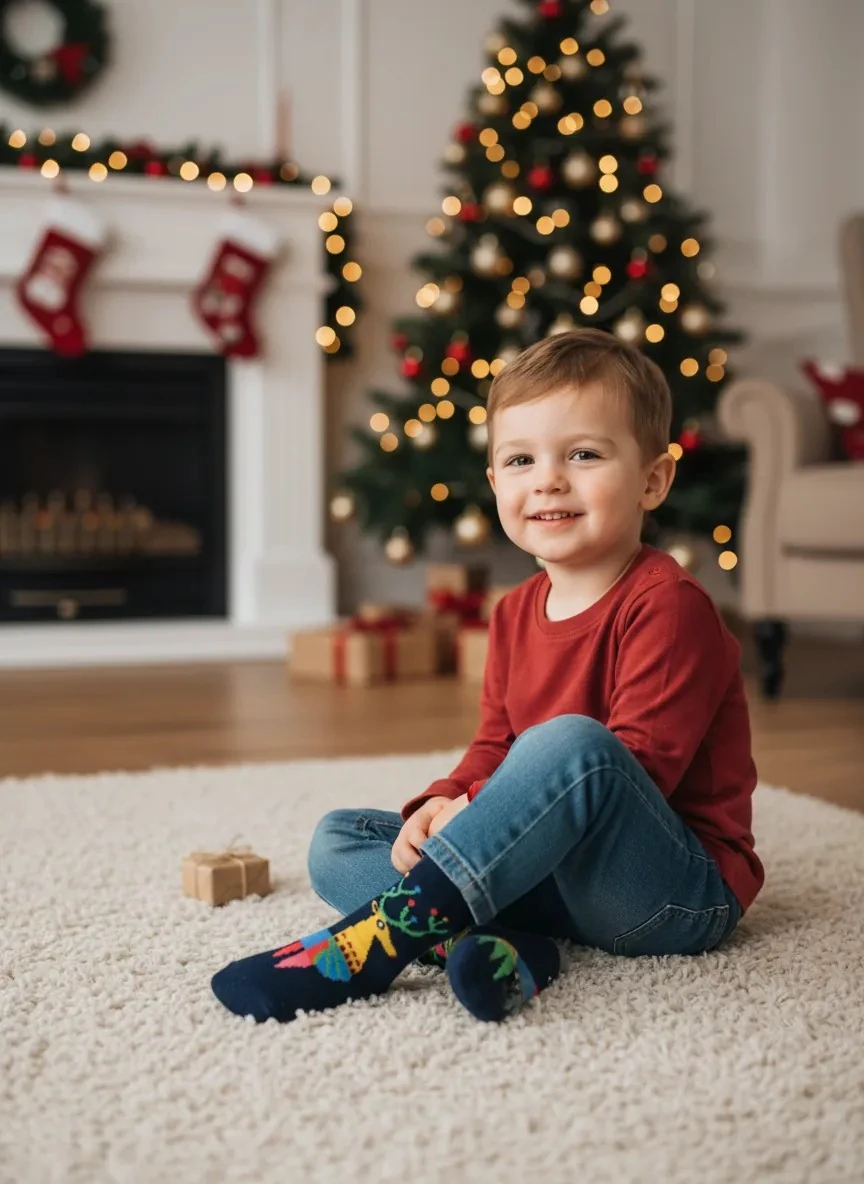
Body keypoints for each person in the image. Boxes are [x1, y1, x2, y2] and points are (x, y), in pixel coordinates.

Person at [211, 327, 764, 1025]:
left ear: (653, 480)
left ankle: (382, 941)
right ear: (497, 484)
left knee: (573, 743)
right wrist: (444, 801)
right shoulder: (511, 613)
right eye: (521, 460)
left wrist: (477, 810)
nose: (548, 479)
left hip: (667, 892)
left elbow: (636, 769)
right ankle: (503, 946)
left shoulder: (668, 605)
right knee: (338, 840)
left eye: (584, 454)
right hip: (549, 878)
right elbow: (494, 744)